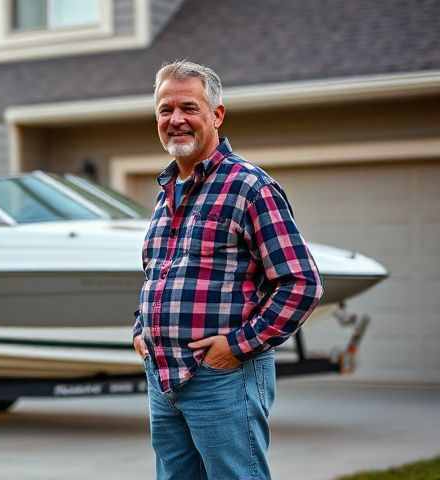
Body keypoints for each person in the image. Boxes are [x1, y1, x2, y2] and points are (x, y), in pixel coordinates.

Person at [132, 60, 324, 480]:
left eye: (189, 107)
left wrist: (237, 346)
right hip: (164, 377)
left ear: (216, 115)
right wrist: (140, 331)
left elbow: (301, 283)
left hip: (222, 378)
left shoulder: (249, 187)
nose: (175, 119)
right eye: (165, 110)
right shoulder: (167, 194)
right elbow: (159, 274)